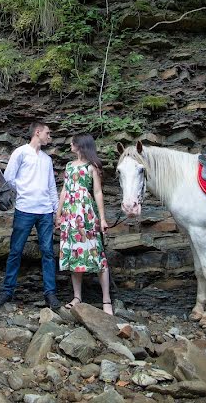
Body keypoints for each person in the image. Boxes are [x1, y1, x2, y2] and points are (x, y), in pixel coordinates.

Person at [0, 121, 61, 310]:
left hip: (45, 211)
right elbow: (9, 178)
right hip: (25, 209)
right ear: (37, 132)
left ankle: (50, 293)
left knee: (47, 252)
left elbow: (52, 187)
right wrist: (24, 192)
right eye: (48, 133)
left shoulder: (47, 159)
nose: (49, 136)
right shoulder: (20, 152)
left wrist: (56, 212)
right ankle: (7, 291)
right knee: (15, 251)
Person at [57, 133, 112, 314]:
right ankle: (77, 297)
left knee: (97, 254)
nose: (71, 144)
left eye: (73, 142)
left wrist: (102, 218)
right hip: (70, 215)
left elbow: (97, 192)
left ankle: (106, 301)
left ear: (81, 145)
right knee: (74, 255)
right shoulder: (69, 166)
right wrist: (58, 214)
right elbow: (65, 191)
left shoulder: (91, 166)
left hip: (86, 215)